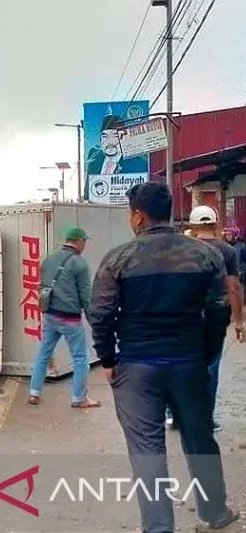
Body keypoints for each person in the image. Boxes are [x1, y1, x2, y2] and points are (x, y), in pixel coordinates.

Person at [90, 182, 239, 533]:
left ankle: (159, 528)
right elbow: (218, 311)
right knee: (200, 439)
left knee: (147, 450)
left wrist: (108, 361)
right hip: (188, 363)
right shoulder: (205, 255)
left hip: (137, 368)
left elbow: (101, 313)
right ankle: (215, 513)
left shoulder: (119, 259)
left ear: (138, 216)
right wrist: (204, 356)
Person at [175, 206, 244, 433]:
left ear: (193, 228)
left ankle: (177, 416)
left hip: (186, 318)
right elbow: (233, 288)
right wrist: (239, 321)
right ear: (215, 224)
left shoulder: (183, 249)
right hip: (215, 318)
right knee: (211, 368)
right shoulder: (227, 250)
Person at [28, 227, 100, 408]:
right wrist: (93, 320)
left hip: (50, 315)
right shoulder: (79, 263)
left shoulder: (49, 258)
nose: (85, 246)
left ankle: (34, 393)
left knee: (43, 355)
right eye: (85, 242)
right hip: (70, 319)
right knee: (80, 358)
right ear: (79, 242)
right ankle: (79, 398)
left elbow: (42, 285)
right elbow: (85, 294)